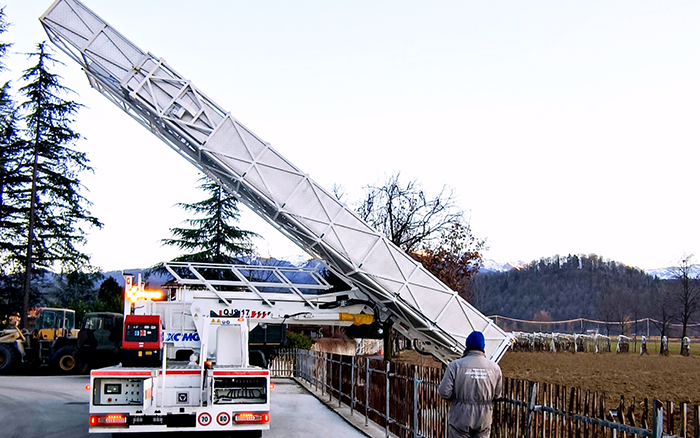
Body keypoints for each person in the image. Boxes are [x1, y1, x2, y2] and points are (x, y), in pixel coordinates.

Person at [438, 331, 503, 438]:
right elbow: (497, 395)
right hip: (484, 418)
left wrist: (457, 399)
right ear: (483, 346)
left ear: (467, 345)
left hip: (460, 417)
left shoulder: (455, 366)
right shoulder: (495, 368)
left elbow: (444, 392)